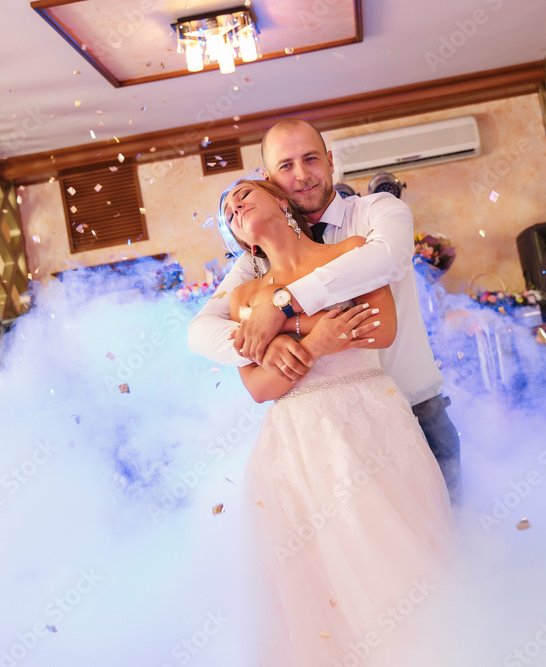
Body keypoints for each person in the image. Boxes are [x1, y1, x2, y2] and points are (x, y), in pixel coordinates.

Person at [215, 178, 454, 664]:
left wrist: (282, 328)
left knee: (397, 562)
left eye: (244, 194)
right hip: (295, 442)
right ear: (238, 238)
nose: (235, 206)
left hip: (370, 420)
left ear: (281, 202)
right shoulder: (241, 299)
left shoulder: (350, 251)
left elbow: (380, 328)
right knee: (319, 581)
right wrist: (315, 342)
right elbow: (260, 387)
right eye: (228, 210)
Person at [188, 118, 461, 499]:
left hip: (413, 412)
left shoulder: (374, 212)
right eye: (286, 166)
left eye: (311, 159)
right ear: (271, 179)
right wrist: (273, 344)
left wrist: (282, 310)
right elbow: (200, 331)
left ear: (330, 161)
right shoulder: (252, 267)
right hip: (318, 434)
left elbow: (387, 258)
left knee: (448, 542)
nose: (302, 175)